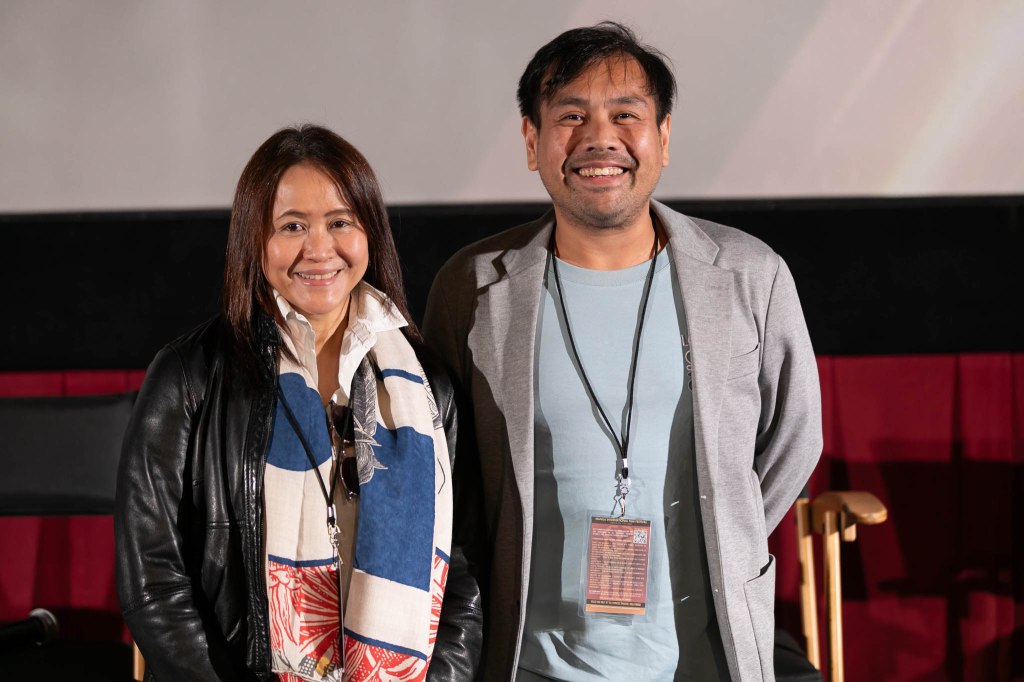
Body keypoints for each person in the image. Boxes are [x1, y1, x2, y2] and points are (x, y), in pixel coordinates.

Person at [423, 23, 821, 681]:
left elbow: (793, 438)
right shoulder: (472, 286)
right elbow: (446, 467)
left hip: (706, 663)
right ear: (532, 141)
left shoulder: (748, 275)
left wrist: (728, 528)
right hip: (530, 663)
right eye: (570, 116)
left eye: (625, 115)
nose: (599, 138)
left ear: (663, 137)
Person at [116, 125, 483, 681]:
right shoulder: (189, 377)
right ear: (254, 241)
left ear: (370, 233)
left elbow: (463, 578)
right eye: (292, 226)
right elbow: (154, 581)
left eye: (340, 222)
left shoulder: (429, 385)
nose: (319, 249)